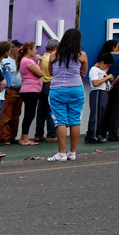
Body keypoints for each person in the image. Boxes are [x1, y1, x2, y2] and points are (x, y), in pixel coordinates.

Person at [46, 28, 88, 162]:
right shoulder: (81, 55)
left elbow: (51, 72)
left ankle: (61, 153)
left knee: (60, 121)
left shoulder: (54, 55)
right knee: (75, 120)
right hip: (76, 88)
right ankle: (73, 152)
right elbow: (84, 72)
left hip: (57, 89)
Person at [16, 42, 44, 146]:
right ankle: (24, 138)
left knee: (29, 114)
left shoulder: (26, 61)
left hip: (29, 90)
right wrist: (40, 61)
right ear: (29, 50)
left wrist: (38, 61)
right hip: (30, 91)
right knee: (29, 114)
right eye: (35, 49)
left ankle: (24, 137)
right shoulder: (28, 61)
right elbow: (40, 73)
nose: (36, 51)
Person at [0, 40, 23, 145]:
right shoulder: (6, 61)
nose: (20, 51)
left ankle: (12, 136)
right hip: (10, 89)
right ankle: (4, 137)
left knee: (16, 115)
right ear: (12, 50)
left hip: (19, 89)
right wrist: (7, 88)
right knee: (6, 115)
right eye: (19, 49)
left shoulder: (20, 61)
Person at [85, 54, 114, 143]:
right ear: (102, 62)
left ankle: (97, 134)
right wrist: (107, 78)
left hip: (103, 92)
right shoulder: (94, 70)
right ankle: (92, 135)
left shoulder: (101, 70)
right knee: (96, 115)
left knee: (100, 114)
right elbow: (95, 83)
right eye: (107, 65)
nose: (107, 67)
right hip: (98, 92)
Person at [35, 39, 59, 142]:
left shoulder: (42, 58)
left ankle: (39, 134)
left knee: (41, 111)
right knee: (51, 111)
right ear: (55, 48)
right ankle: (51, 135)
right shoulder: (54, 59)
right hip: (51, 85)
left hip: (42, 86)